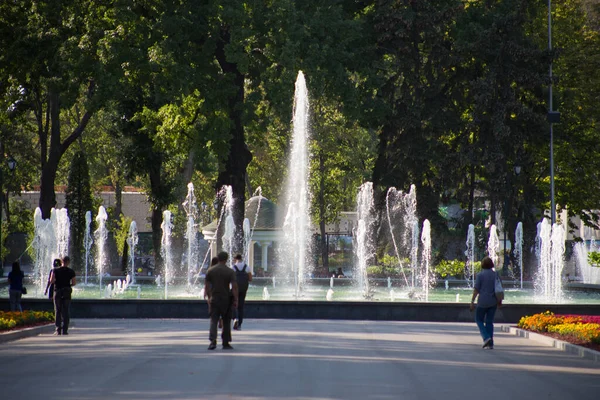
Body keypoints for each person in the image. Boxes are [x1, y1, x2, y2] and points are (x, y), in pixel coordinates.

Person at [204, 251, 238, 350]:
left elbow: (207, 286)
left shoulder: (210, 270)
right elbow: (234, 287)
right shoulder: (230, 271)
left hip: (214, 298)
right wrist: (236, 299)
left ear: (218, 258)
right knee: (226, 321)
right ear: (226, 259)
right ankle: (225, 342)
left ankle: (212, 342)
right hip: (226, 299)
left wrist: (209, 297)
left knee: (214, 321)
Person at [470, 256, 500, 349]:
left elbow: (476, 289)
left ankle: (486, 337)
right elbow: (499, 289)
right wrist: (500, 301)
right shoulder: (496, 275)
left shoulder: (480, 275)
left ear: (482, 265)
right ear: (491, 265)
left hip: (482, 301)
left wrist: (472, 301)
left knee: (479, 320)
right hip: (493, 301)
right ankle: (490, 343)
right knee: (489, 322)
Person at [50, 256, 76, 335]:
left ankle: (58, 329)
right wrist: (68, 285)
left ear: (61, 261)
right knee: (66, 311)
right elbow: (74, 283)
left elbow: (51, 280)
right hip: (66, 292)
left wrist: (57, 282)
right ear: (68, 262)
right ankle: (65, 330)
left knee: (58, 310)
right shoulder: (71, 271)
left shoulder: (55, 270)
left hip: (57, 291)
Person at [232, 254, 252, 331]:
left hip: (235, 289)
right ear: (241, 258)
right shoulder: (247, 267)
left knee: (233, 304)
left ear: (235, 259)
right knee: (241, 306)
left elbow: (231, 279)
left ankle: (234, 319)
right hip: (243, 289)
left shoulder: (233, 267)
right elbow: (250, 279)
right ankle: (239, 324)